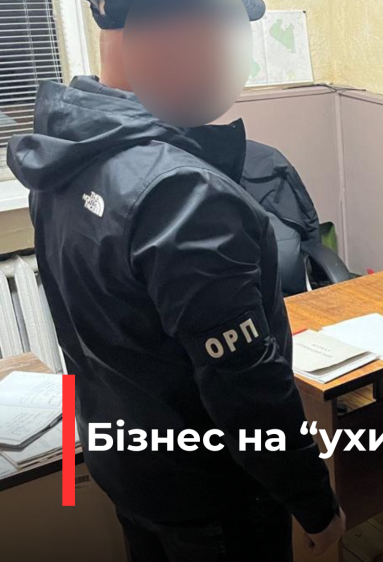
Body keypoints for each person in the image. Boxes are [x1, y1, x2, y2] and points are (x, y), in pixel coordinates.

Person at [5, 1, 345, 560]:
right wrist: (315, 502)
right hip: (213, 497)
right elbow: (246, 386)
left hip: (130, 470)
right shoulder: (181, 192)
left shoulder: (61, 151)